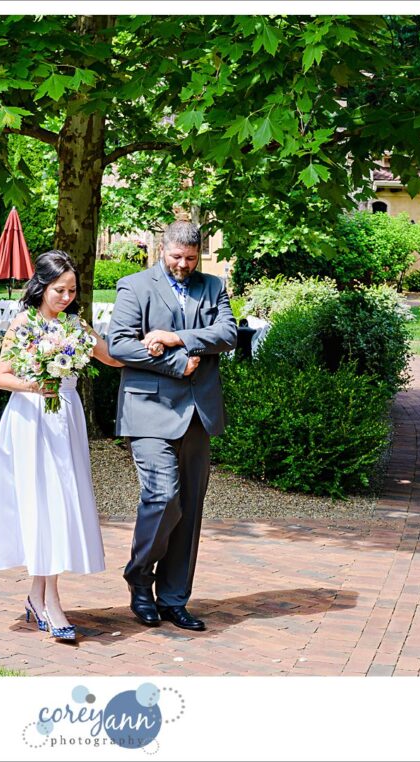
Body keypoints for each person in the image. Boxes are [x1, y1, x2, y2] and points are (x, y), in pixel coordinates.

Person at [0, 250, 123, 641]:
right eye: (60, 290)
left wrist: (156, 350)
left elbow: (109, 356)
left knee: (59, 502)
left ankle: (38, 596)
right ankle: (50, 601)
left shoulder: (75, 326)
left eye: (73, 290)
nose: (67, 297)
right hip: (29, 422)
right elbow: (1, 378)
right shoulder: (23, 323)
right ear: (42, 286)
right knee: (40, 503)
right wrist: (38, 384)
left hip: (66, 421)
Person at [107, 221, 237, 631]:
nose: (183, 265)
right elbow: (121, 344)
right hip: (148, 410)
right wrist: (176, 362)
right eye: (176, 257)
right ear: (161, 249)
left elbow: (228, 333)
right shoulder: (134, 286)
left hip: (199, 412)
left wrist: (175, 337)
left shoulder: (213, 286)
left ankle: (175, 598)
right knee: (164, 496)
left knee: (191, 509)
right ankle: (139, 576)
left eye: (191, 258)